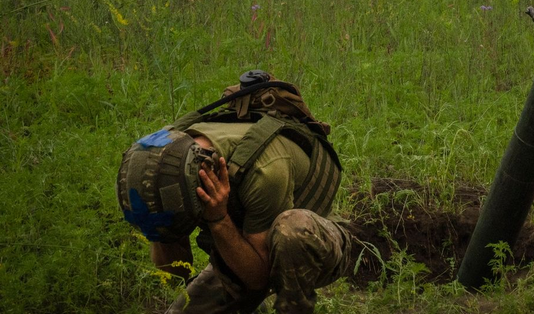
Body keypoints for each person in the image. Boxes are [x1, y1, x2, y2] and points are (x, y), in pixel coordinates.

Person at [117, 72, 359, 313]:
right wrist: (158, 227)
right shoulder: (164, 166)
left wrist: (219, 219)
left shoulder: (265, 169)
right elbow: (176, 272)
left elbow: (258, 278)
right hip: (246, 241)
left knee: (291, 230)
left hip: (315, 242)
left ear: (208, 174)